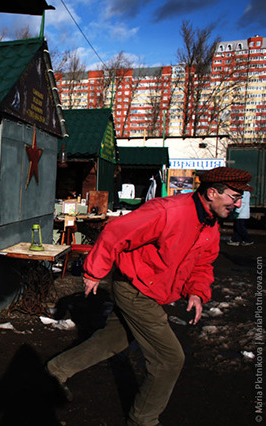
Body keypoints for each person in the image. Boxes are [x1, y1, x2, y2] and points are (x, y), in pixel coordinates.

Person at [45, 166, 253, 426]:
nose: (239, 203)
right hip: (134, 289)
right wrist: (94, 271)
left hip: (151, 290)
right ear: (212, 192)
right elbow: (115, 232)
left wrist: (197, 292)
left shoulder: (208, 224)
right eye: (235, 197)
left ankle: (54, 372)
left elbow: (203, 264)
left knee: (113, 339)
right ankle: (143, 420)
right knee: (169, 359)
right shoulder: (168, 211)